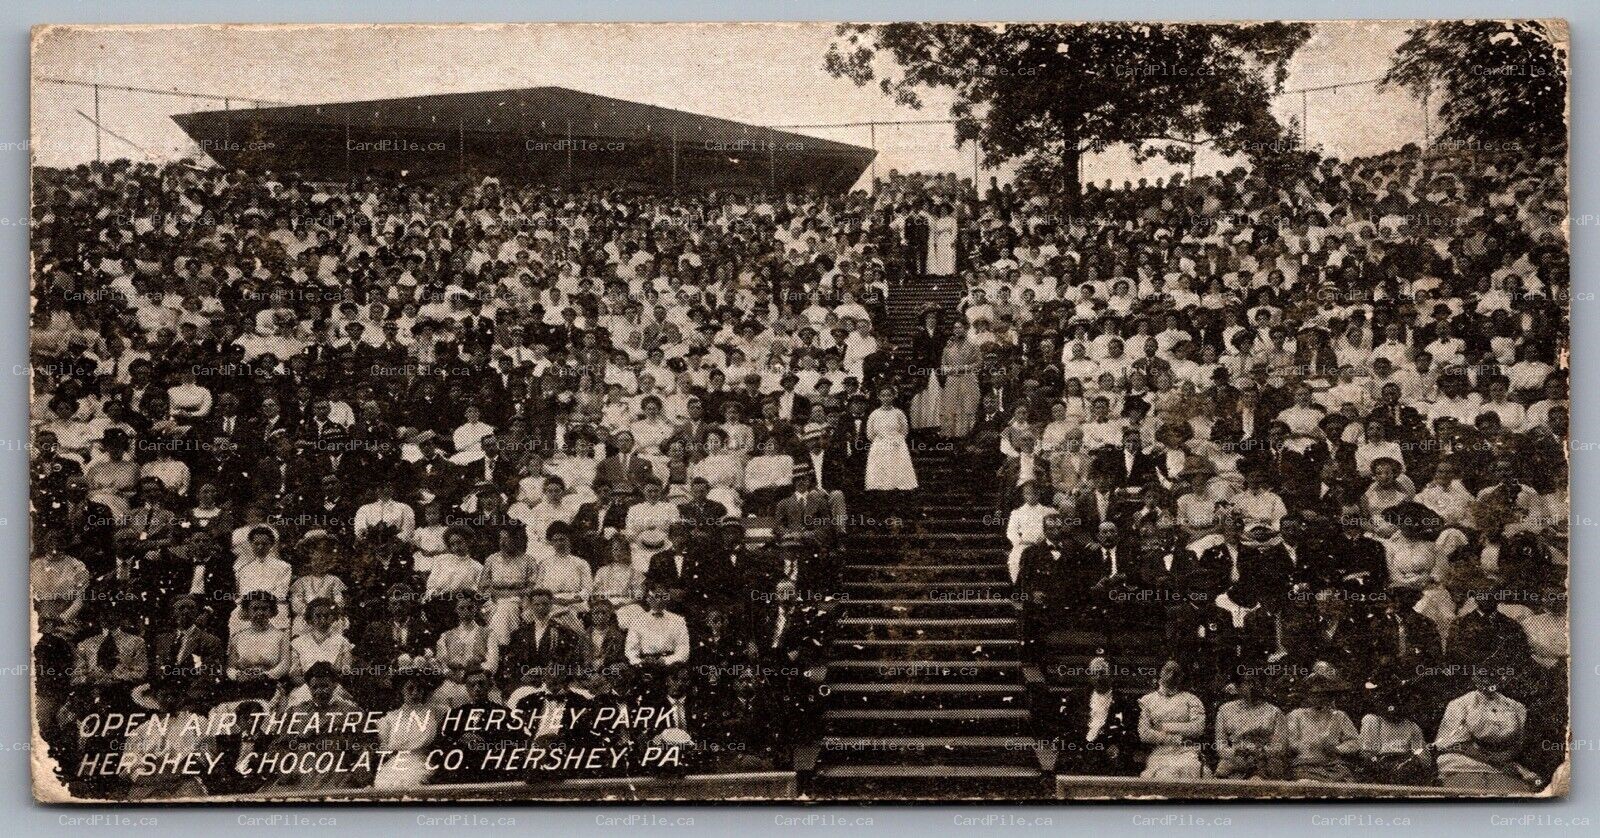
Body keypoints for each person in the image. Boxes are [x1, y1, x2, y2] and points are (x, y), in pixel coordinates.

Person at [1270, 670, 1361, 782]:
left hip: (1333, 766)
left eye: (1323, 694)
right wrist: (1309, 745)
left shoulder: (1339, 716)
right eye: (1315, 694)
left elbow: (1355, 742)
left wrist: (1338, 749)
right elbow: (1287, 743)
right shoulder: (1296, 715)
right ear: (1307, 695)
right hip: (1304, 766)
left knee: (1346, 783)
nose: (1319, 698)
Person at [1137, 660, 1207, 779]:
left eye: (1177, 672)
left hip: (1186, 751)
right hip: (1160, 752)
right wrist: (1176, 738)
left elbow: (1198, 728)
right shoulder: (1147, 701)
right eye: (1168, 670)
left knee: (1190, 768)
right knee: (1164, 774)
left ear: (1181, 677)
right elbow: (1144, 733)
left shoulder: (1191, 700)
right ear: (1160, 673)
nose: (1172, 674)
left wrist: (1166, 727)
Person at [864, 384, 917, 495]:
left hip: (897, 446)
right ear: (879, 397)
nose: (886, 398)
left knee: (897, 472)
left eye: (889, 395)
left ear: (893, 396)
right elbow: (870, 434)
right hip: (880, 446)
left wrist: (896, 440)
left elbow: (904, 430)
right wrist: (881, 441)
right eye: (883, 395)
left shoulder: (899, 413)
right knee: (881, 474)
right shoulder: (874, 414)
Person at [938, 320, 982, 439]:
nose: (957, 330)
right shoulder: (948, 346)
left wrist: (965, 368)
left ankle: (968, 435)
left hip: (968, 379)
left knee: (968, 406)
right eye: (955, 328)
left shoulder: (973, 345)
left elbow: (979, 362)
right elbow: (943, 364)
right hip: (952, 380)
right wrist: (949, 369)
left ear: (966, 329)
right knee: (951, 406)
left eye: (960, 327)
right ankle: (951, 436)